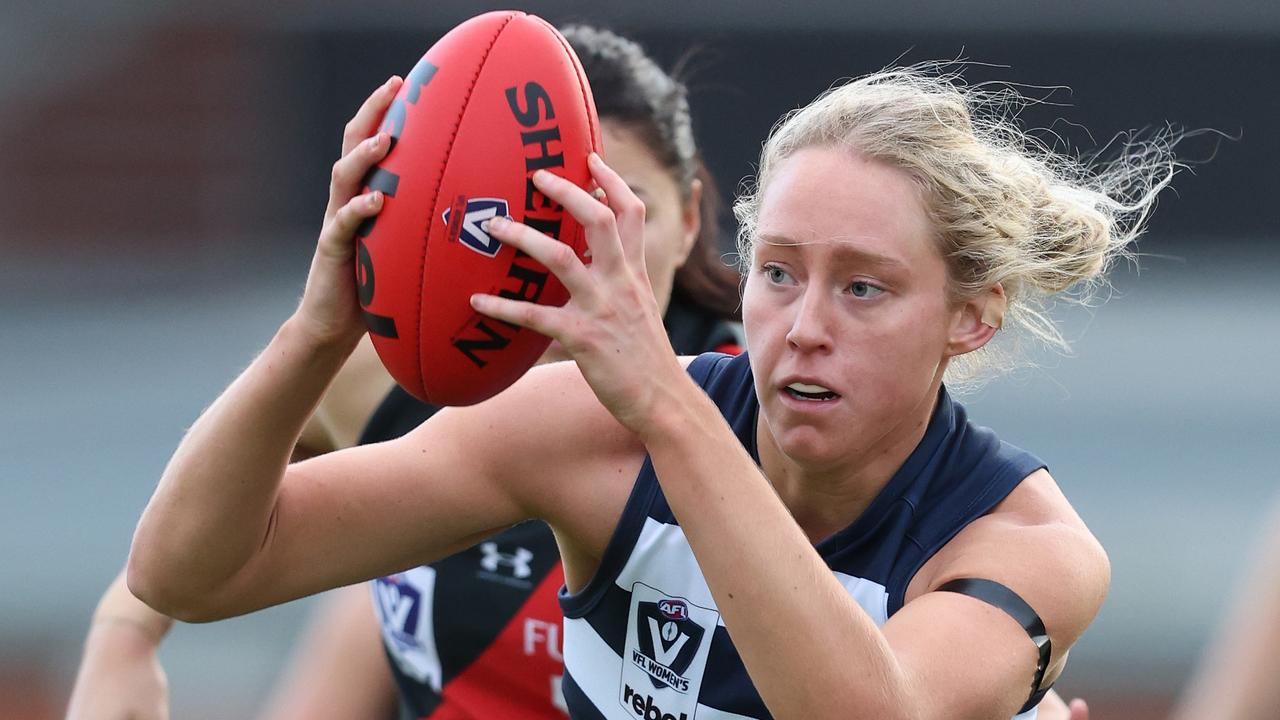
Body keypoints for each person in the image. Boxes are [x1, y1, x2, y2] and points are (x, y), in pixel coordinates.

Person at [127, 60, 1173, 720]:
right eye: (777, 272)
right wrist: (318, 329)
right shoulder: (583, 432)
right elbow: (191, 575)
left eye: (863, 287)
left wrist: (666, 408)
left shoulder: (1024, 549)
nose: (803, 325)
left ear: (970, 316)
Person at [66, 26, 742, 720]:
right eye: (538, 213)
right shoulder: (384, 376)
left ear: (690, 218)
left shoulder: (758, 421)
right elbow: (209, 524)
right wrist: (125, 634)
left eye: (611, 211)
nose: (569, 250)